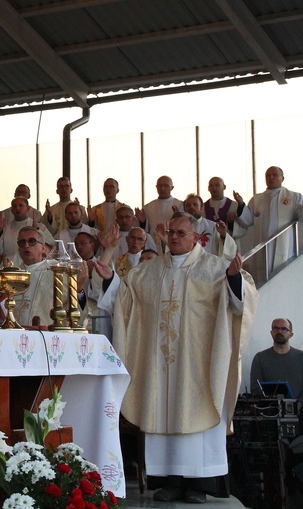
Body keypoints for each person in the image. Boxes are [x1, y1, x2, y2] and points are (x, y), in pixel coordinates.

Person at [94, 212, 258, 504]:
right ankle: (170, 481)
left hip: (199, 364)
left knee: (198, 416)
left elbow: (240, 301)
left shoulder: (215, 268)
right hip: (161, 364)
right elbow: (127, 303)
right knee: (164, 413)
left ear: (196, 237)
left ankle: (199, 484)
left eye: (181, 233)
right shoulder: (149, 271)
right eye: (171, 233)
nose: (174, 237)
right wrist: (112, 282)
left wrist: (234, 279)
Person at [234, 166, 303, 274]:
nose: (271, 177)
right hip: (262, 245)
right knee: (262, 273)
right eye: (268, 175)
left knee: (282, 275)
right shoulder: (257, 199)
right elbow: (248, 221)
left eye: (274, 175)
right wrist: (241, 205)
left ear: (282, 178)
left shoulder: (294, 197)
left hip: (285, 246)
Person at [250, 318, 303, 400]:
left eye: (284, 329)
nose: (279, 332)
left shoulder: (301, 357)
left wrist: (298, 405)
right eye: (276, 328)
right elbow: (255, 388)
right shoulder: (260, 358)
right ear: (271, 333)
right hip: (269, 410)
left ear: (291, 334)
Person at [12, 227, 54, 328]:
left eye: (32, 241)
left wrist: (79, 289)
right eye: (22, 242)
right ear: (18, 249)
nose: (26, 246)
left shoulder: (55, 273)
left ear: (43, 248)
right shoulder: (12, 275)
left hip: (46, 336)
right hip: (15, 335)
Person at [181, 193, 236, 260]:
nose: (191, 207)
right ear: (184, 209)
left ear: (201, 208)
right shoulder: (179, 228)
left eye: (195, 204)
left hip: (208, 265)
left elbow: (229, 250)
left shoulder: (213, 226)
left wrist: (223, 235)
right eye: (188, 205)